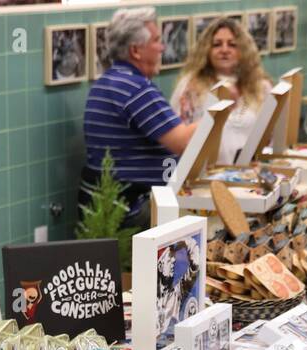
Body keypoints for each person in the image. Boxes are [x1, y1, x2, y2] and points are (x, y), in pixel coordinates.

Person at [81, 7, 198, 226]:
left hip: (107, 205)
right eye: (156, 40)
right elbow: (182, 142)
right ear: (136, 50)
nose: (162, 47)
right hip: (132, 209)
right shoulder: (136, 89)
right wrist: (220, 112)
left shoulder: (108, 81)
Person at [170, 17, 273, 165]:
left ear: (242, 50)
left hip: (248, 174)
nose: (224, 50)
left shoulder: (260, 86)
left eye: (232, 45)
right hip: (204, 175)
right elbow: (178, 137)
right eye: (217, 45)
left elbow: (270, 137)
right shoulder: (190, 87)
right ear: (207, 50)